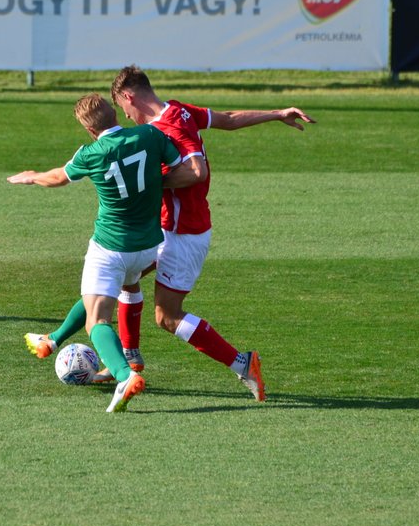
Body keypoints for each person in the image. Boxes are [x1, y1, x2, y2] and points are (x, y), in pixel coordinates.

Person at [26, 65, 316, 402]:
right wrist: (277, 113)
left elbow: (196, 171)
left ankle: (243, 363)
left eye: (124, 108)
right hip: (161, 226)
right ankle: (125, 356)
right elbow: (229, 117)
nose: (126, 116)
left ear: (129, 96)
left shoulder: (171, 125)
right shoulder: (177, 110)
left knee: (167, 316)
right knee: (120, 277)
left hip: (184, 231)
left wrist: (145, 185)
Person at [8, 92, 192, 412]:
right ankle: (51, 339)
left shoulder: (90, 153)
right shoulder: (149, 135)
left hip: (111, 247)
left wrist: (32, 177)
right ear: (114, 114)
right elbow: (182, 169)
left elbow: (58, 178)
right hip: (149, 245)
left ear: (90, 131)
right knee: (113, 288)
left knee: (97, 320)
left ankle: (124, 375)